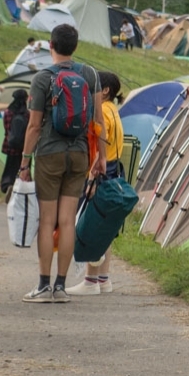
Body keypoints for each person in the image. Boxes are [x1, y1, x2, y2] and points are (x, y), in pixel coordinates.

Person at [17, 23, 102, 303]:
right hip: (79, 154)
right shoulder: (89, 74)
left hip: (49, 154)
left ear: (51, 46)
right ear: (75, 47)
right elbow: (97, 121)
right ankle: (61, 287)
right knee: (67, 221)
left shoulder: (42, 78)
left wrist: (24, 161)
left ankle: (42, 286)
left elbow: (33, 125)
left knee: (47, 221)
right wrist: (99, 156)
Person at [68, 71, 124, 296]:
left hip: (99, 170)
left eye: (92, 87)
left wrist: (90, 172)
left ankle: (90, 281)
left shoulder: (102, 113)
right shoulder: (114, 110)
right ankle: (103, 279)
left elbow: (99, 139)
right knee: (106, 227)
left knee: (91, 224)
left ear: (105, 90)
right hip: (114, 169)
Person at [0, 89, 30, 194]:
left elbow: (6, 128)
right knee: (22, 167)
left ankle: (7, 185)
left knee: (10, 166)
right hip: (24, 147)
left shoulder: (8, 112)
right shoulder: (27, 114)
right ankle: (20, 188)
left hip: (10, 145)